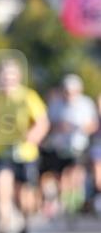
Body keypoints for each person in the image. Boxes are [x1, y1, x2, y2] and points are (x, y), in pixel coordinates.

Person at [0, 57, 49, 233]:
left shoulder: (28, 96)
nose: (6, 80)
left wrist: (32, 136)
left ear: (17, 77)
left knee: (23, 197)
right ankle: (2, 229)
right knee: (2, 189)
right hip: (2, 151)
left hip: (24, 153)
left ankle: (25, 226)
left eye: (10, 76)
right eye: (3, 76)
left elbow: (42, 122)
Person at [42, 74, 97, 218]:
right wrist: (60, 127)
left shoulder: (86, 103)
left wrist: (81, 128)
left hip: (79, 145)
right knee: (61, 175)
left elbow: (93, 124)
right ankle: (65, 201)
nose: (69, 95)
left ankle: (76, 199)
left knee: (76, 171)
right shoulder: (56, 104)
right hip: (60, 146)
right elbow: (48, 125)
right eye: (66, 91)